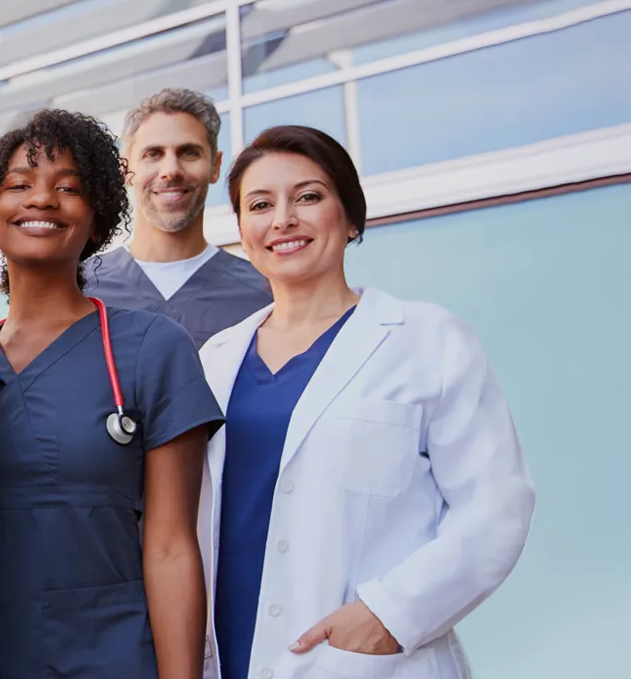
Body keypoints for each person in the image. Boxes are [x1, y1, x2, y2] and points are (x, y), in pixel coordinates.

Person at [198, 126, 535, 679]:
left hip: (370, 662)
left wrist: (392, 612)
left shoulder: (427, 340)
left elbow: (497, 508)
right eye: (260, 204)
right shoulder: (215, 359)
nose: (282, 219)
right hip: (229, 656)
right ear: (242, 229)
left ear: (351, 217)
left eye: (308, 196)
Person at [0, 109, 222, 679]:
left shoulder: (152, 349)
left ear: (97, 211)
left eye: (68, 187)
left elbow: (173, 546)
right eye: (19, 186)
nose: (42, 200)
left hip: (112, 656)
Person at [84, 88, 271, 348]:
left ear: (215, 166)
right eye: (153, 154)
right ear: (125, 169)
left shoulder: (264, 293)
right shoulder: (79, 287)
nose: (171, 171)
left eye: (189, 152)